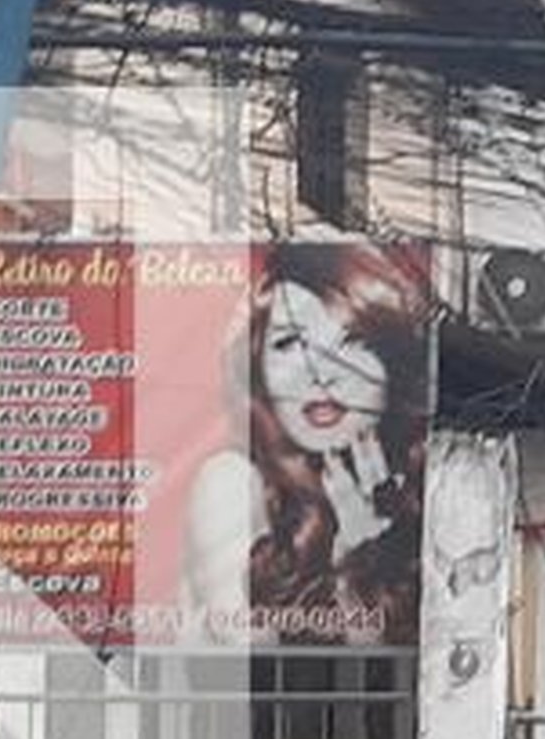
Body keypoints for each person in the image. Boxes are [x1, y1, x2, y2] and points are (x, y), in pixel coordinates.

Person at [177, 242, 431, 646]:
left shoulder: (422, 480)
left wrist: (370, 548)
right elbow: (246, 651)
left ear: (390, 363)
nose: (321, 373)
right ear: (259, 367)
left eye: (353, 342)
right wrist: (352, 563)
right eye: (290, 343)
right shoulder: (233, 481)